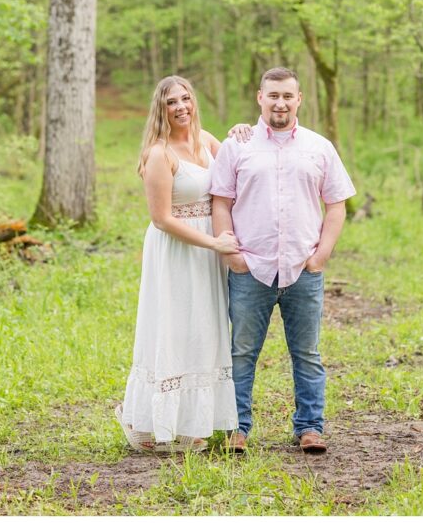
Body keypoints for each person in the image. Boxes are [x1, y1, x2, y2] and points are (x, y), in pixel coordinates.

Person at [210, 67, 355, 455]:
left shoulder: (319, 147)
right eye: (273, 95)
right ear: (260, 97)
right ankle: (236, 428)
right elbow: (220, 202)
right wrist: (234, 257)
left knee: (307, 354)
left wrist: (321, 255)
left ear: (299, 99)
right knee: (241, 353)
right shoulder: (237, 146)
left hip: (301, 269)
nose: (280, 102)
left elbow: (337, 205)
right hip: (250, 270)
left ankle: (310, 427)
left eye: (287, 96)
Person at [116, 76, 243, 452]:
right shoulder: (160, 153)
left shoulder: (207, 142)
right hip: (177, 251)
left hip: (208, 252)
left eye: (186, 98)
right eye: (172, 102)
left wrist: (243, 132)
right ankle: (148, 421)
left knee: (203, 329)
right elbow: (162, 219)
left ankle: (192, 422)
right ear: (161, 109)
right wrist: (213, 242)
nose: (181, 107)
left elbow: (242, 164)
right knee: (173, 328)